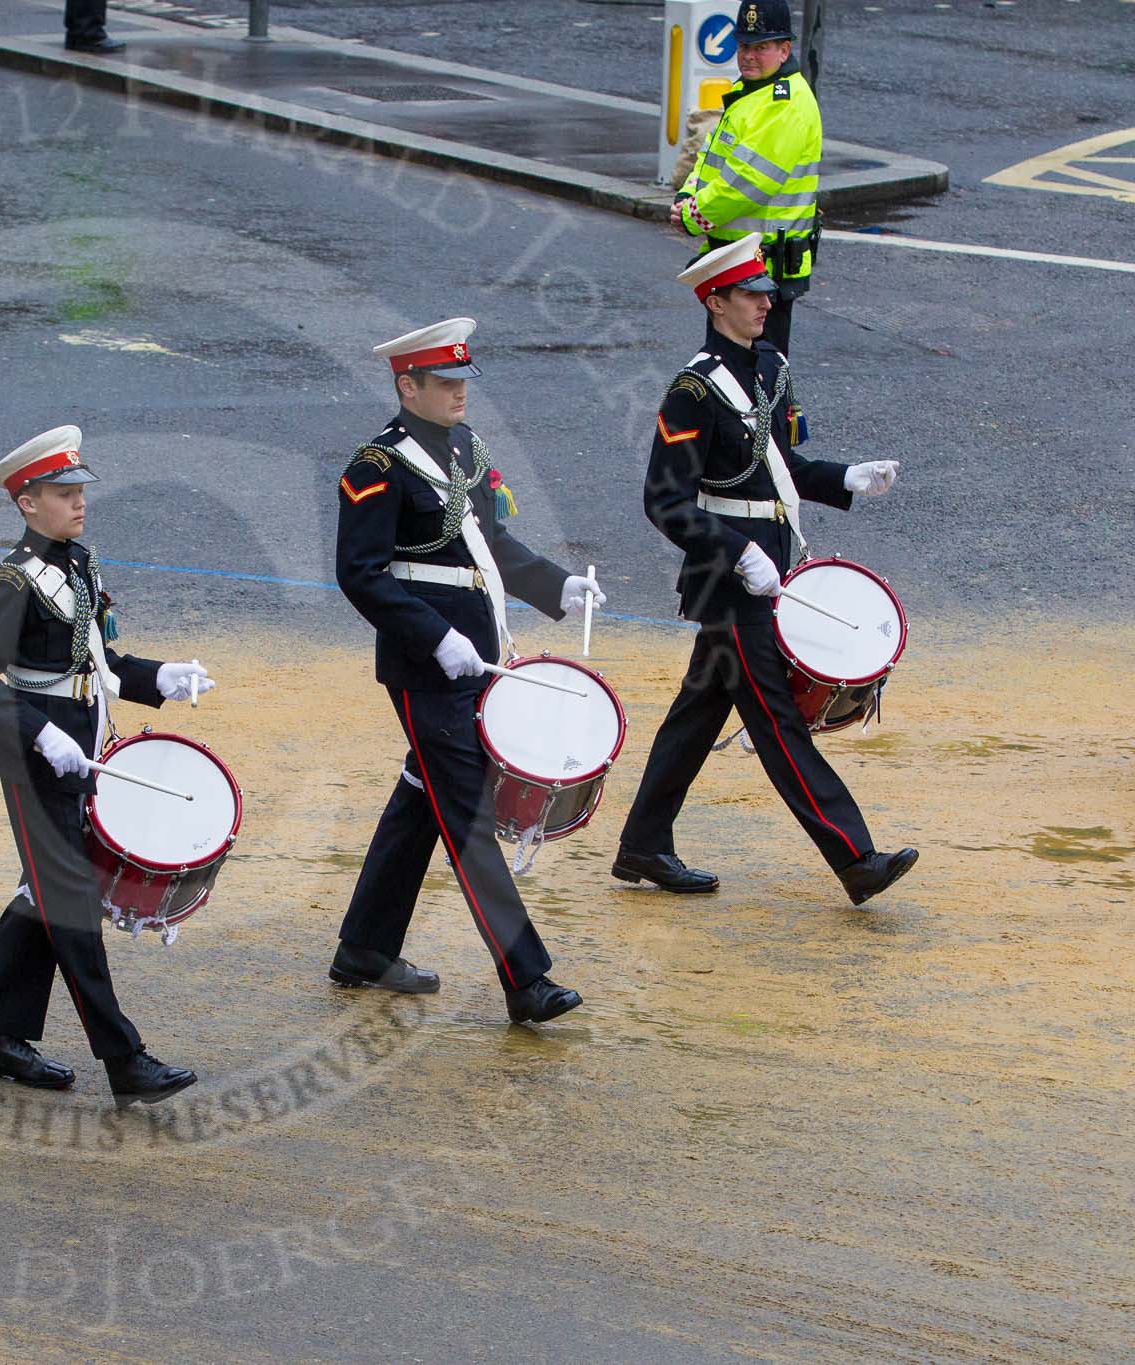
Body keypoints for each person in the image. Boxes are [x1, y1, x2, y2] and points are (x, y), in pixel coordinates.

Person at [611, 234, 917, 906]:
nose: (765, 302)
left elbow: (780, 469)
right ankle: (856, 857)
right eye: (749, 294)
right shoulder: (693, 389)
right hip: (729, 581)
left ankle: (643, 842)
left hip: (768, 571)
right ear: (715, 301)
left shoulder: (769, 367)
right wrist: (737, 551)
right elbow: (663, 499)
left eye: (765, 292)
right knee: (777, 722)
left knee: (699, 710)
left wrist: (845, 477)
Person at [330, 318, 596, 1024]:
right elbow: (358, 574)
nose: (459, 394)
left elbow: (487, 540)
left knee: (425, 797)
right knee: (468, 815)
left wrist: (553, 585)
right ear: (406, 385)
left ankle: (363, 946)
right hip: (427, 667)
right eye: (444, 383)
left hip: (479, 655)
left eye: (462, 381)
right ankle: (526, 978)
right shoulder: (376, 466)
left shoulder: (463, 450)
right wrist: (432, 634)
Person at [0, 425, 207, 1104]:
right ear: (28, 503)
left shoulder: (80, 565)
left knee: (43, 895)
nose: (78, 503)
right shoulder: (11, 582)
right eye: (63, 494)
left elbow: (104, 665)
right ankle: (124, 1058)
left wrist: (163, 678)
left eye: (79, 491)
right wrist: (37, 732)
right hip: (33, 763)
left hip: (84, 752)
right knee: (70, 903)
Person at [668, 0, 820, 355]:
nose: (749, 56)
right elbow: (711, 158)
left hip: (763, 269)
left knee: (758, 378)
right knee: (730, 372)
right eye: (743, 46)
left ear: (784, 50)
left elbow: (746, 182)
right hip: (738, 262)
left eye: (760, 47)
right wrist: (687, 195)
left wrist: (693, 215)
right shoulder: (752, 94)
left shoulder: (785, 104)